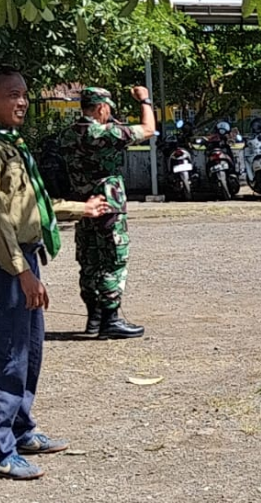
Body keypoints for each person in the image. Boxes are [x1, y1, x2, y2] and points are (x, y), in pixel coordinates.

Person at [0, 64, 111, 479]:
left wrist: (83, 208)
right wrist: (22, 271)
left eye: (24, 93)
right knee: (2, 357)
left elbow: (28, 208)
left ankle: (20, 429)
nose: (22, 101)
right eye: (12, 94)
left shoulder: (10, 143)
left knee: (28, 354)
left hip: (20, 259)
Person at [59, 86, 156, 339]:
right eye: (109, 109)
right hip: (108, 204)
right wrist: (144, 100)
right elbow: (148, 130)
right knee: (114, 259)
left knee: (89, 261)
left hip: (82, 205)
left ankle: (94, 318)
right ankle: (110, 319)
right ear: (102, 107)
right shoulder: (107, 133)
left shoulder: (67, 135)